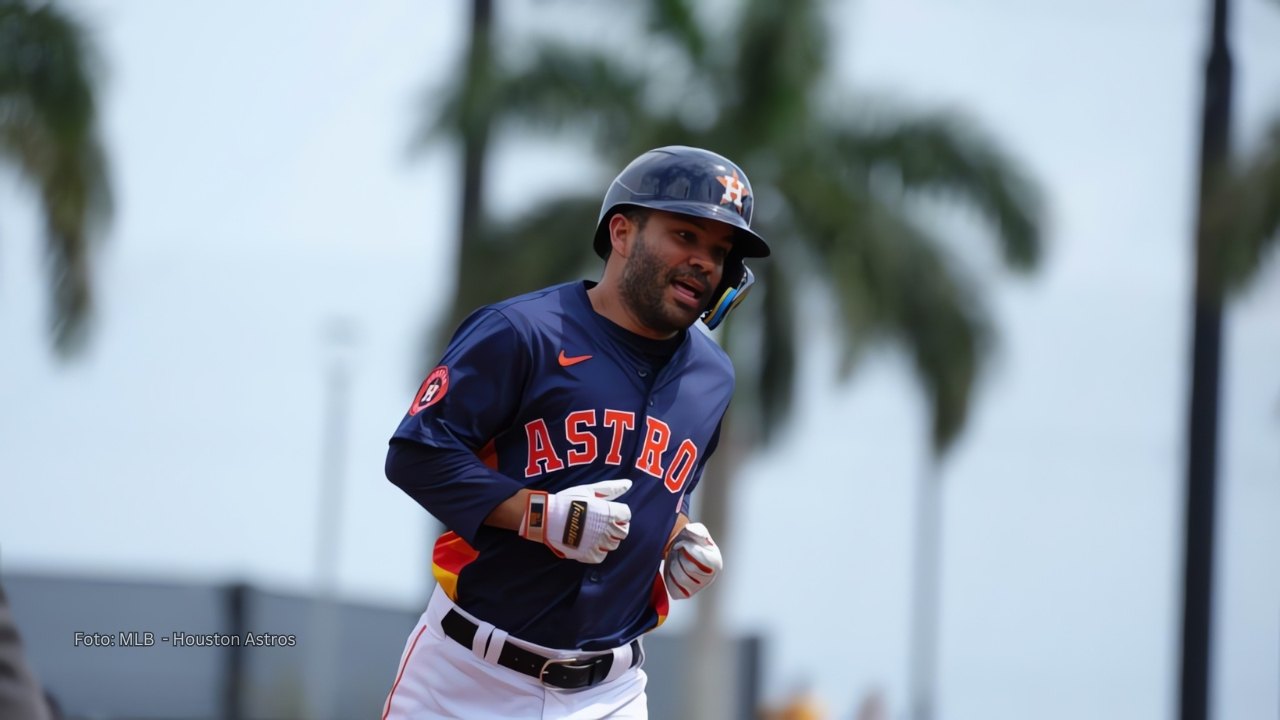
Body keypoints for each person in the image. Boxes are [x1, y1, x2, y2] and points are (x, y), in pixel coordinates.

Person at [381, 145, 770, 719]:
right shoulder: (522, 332)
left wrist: (679, 536)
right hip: (466, 677)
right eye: (685, 236)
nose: (705, 262)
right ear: (621, 232)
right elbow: (415, 454)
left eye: (719, 251)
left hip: (607, 694)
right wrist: (541, 516)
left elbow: (661, 491)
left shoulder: (712, 378)